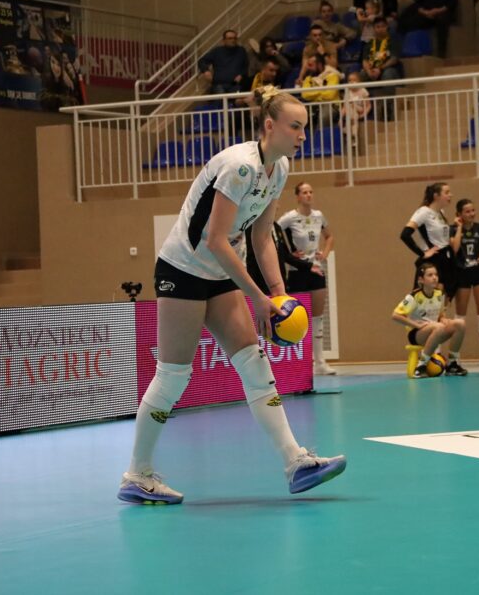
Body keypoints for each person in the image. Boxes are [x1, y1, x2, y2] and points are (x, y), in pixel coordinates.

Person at [118, 86, 346, 505]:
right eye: (295, 127)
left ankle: (295, 462)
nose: (302, 136)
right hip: (184, 270)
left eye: (305, 128)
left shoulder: (280, 169)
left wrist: (278, 294)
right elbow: (215, 239)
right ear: (270, 126)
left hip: (222, 274)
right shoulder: (239, 167)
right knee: (173, 376)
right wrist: (257, 296)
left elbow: (261, 237)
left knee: (254, 363)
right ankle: (137, 474)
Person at [277, 183, 335, 375]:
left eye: (311, 192)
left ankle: (320, 362)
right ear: (297, 196)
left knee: (317, 318)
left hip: (316, 269)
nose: (308, 195)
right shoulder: (289, 218)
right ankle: (301, 363)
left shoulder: (318, 216)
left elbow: (329, 237)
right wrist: (289, 253)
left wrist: (324, 254)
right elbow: (274, 232)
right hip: (297, 271)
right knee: (298, 317)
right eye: (304, 192)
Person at [392, 262, 468, 378]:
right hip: (417, 334)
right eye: (430, 275)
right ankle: (421, 366)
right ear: (421, 280)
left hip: (436, 330)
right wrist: (416, 325)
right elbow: (395, 315)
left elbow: (440, 315)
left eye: (436, 274)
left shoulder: (439, 294)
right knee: (438, 326)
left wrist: (443, 319)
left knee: (460, 324)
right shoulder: (414, 296)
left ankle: (452, 364)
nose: (434, 278)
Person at [450, 199, 479, 366]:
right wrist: (459, 228)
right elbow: (454, 249)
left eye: (473, 210)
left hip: (478, 273)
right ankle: (455, 355)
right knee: (460, 315)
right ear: (459, 214)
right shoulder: (453, 229)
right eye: (467, 211)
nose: (471, 214)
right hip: (461, 273)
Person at [401, 183, 457, 301]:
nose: (450, 195)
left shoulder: (441, 212)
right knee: (429, 299)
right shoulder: (424, 212)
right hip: (434, 260)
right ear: (436, 196)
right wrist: (422, 253)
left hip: (446, 259)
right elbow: (405, 234)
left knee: (443, 300)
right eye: (446, 192)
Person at [361, 17, 401, 99]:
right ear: (374, 28)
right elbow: (364, 60)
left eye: (383, 26)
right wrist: (369, 71)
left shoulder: (393, 41)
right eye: (378, 27)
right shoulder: (369, 43)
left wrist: (380, 68)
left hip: (388, 69)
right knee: (360, 75)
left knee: (388, 74)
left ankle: (390, 103)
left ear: (387, 27)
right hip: (372, 69)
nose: (380, 29)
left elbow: (394, 59)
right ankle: (364, 103)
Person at [299, 53, 342, 126]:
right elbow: (305, 95)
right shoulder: (308, 78)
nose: (308, 68)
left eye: (311, 65)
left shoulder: (333, 75)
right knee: (298, 115)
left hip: (330, 105)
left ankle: (320, 134)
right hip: (312, 104)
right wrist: (322, 91)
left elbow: (330, 95)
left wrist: (313, 93)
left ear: (319, 65)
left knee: (324, 116)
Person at [340, 70, 371, 152]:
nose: (351, 82)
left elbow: (368, 105)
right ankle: (353, 136)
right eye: (349, 80)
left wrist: (364, 114)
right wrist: (340, 118)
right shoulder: (347, 92)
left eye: (354, 80)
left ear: (359, 81)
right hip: (350, 113)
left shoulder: (363, 91)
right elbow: (344, 107)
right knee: (350, 110)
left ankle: (347, 132)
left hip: (359, 109)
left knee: (352, 108)